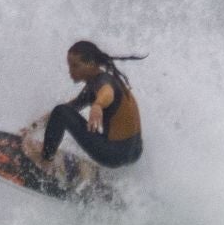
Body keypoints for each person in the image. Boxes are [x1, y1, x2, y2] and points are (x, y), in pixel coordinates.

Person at [22, 40, 145, 175]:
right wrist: (33, 127)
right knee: (63, 112)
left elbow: (107, 92)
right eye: (69, 66)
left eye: (75, 66)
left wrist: (98, 105)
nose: (71, 71)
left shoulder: (104, 82)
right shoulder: (98, 84)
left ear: (91, 64)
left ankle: (45, 162)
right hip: (134, 152)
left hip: (114, 154)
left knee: (61, 111)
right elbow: (70, 108)